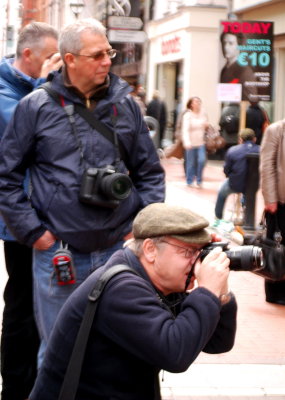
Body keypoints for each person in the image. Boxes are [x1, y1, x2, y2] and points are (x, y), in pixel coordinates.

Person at [0, 18, 165, 366]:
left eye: (109, 52)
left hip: (118, 253)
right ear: (70, 59)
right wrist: (35, 234)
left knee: (118, 351)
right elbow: (6, 177)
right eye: (97, 55)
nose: (108, 61)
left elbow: (150, 173)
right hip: (59, 254)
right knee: (59, 353)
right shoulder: (36, 107)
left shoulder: (127, 106)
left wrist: (139, 229)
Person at [29, 203, 237, 400]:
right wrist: (207, 290)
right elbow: (176, 353)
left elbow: (217, 342)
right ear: (150, 250)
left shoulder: (158, 282)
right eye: (188, 252)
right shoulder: (122, 289)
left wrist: (221, 291)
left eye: (200, 252)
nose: (196, 262)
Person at [0, 22, 61, 400]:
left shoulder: (38, 88)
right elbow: (21, 129)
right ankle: (15, 389)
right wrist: (48, 85)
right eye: (52, 57)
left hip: (53, 220)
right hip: (21, 224)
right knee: (23, 309)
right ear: (29, 57)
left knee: (47, 309)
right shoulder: (6, 93)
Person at [260, 120, 285, 305]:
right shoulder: (276, 130)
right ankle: (276, 293)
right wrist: (270, 198)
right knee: (277, 247)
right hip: (280, 202)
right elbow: (267, 165)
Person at [214, 128, 260, 224]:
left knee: (222, 193)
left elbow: (226, 169)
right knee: (248, 193)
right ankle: (246, 214)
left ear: (240, 140)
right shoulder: (260, 150)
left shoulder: (232, 150)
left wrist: (230, 176)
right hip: (253, 185)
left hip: (235, 183)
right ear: (254, 139)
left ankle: (218, 218)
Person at [220, 31, 257, 102]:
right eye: (224, 43)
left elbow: (251, 100)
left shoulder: (245, 71)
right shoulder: (224, 69)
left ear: (239, 47)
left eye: (231, 43)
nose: (226, 47)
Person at [181, 96, 208, 188]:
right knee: (190, 162)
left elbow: (206, 125)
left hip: (201, 142)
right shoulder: (187, 115)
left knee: (202, 160)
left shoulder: (203, 113)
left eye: (199, 102)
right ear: (191, 104)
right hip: (191, 143)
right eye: (196, 102)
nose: (198, 103)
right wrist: (186, 142)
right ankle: (189, 180)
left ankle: (199, 180)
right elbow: (185, 130)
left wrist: (205, 125)